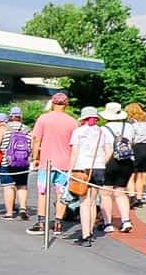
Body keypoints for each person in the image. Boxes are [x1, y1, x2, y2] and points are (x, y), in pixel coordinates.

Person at [26, 93, 75, 234]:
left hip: (46, 162)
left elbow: (36, 140)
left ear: (52, 103)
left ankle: (41, 223)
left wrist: (35, 158)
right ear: (66, 104)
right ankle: (58, 223)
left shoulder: (43, 119)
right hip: (65, 163)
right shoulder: (72, 122)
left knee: (43, 192)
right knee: (61, 193)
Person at [67, 105, 116, 246]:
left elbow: (74, 153)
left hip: (82, 167)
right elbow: (109, 151)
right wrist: (102, 162)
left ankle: (85, 234)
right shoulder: (103, 132)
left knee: (84, 202)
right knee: (93, 202)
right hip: (99, 167)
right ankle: (91, 231)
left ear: (83, 118)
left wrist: (70, 171)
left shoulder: (78, 132)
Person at [97, 103, 136, 235]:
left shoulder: (104, 129)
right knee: (120, 192)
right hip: (127, 161)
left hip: (111, 161)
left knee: (105, 193)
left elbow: (107, 149)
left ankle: (108, 223)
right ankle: (126, 220)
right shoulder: (129, 127)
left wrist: (102, 165)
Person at [124, 103, 146, 205]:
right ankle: (139, 196)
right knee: (142, 173)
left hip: (135, 147)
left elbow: (130, 138)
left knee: (132, 174)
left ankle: (132, 196)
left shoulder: (131, 124)